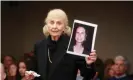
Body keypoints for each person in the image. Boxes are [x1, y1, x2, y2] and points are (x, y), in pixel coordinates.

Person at [32, 9, 97, 80]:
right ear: (47, 25)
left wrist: (88, 64)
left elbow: (88, 75)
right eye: (51, 22)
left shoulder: (72, 46)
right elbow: (36, 73)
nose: (54, 26)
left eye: (59, 23)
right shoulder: (39, 46)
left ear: (64, 27)